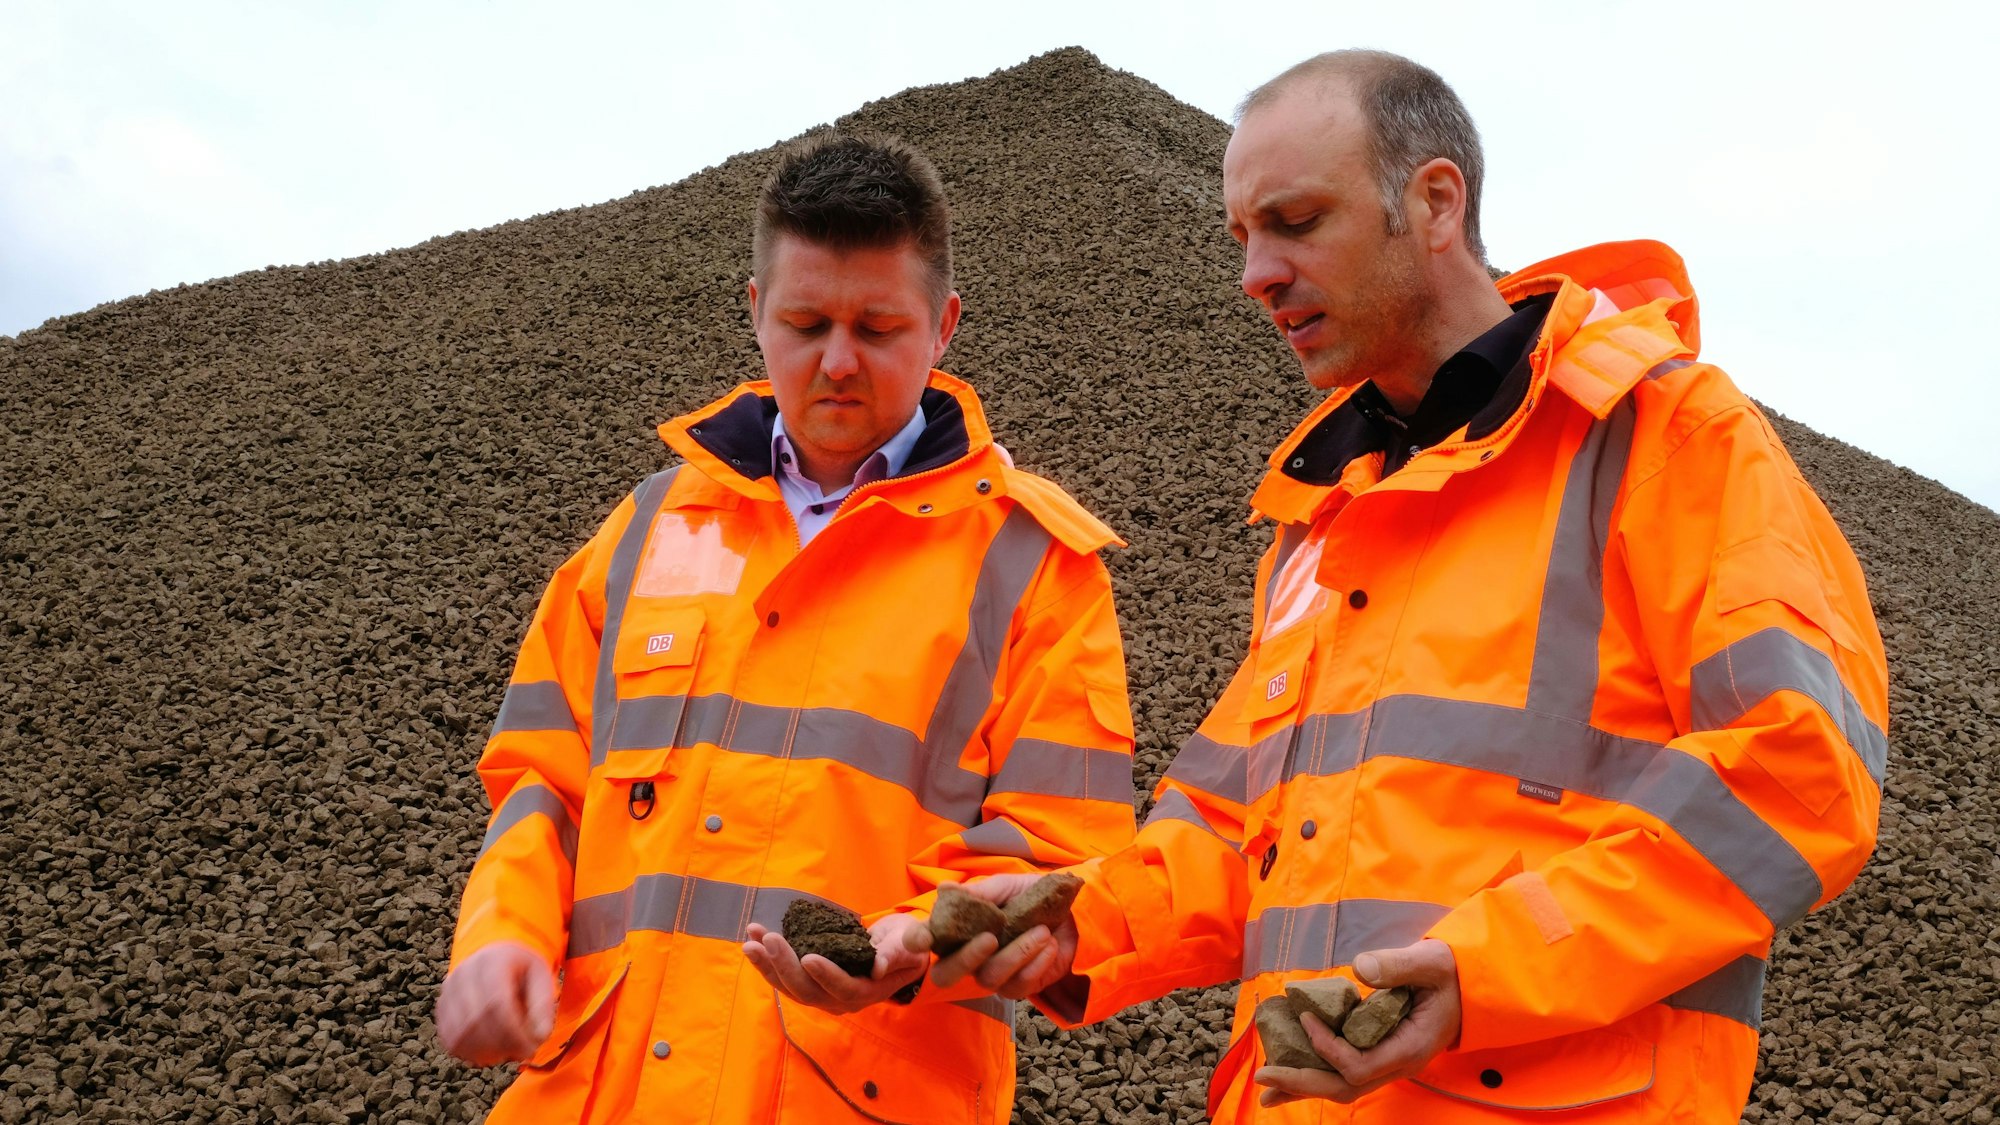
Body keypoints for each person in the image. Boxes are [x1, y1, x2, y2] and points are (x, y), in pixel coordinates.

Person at [937, 50, 1887, 1123]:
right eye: (1242, 237)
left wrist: (1484, 970)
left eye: (1296, 222)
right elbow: (1232, 832)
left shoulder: (1665, 440)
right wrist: (1077, 920)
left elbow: (1799, 767)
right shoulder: (1319, 517)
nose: (1255, 274)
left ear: (1435, 203)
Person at [433, 132, 1138, 1124]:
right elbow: (540, 782)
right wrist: (501, 932)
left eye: (878, 328)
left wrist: (914, 939)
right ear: (756, 309)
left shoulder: (1034, 565)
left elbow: (1061, 850)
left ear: (943, 326)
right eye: (805, 323)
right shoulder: (645, 530)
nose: (838, 362)